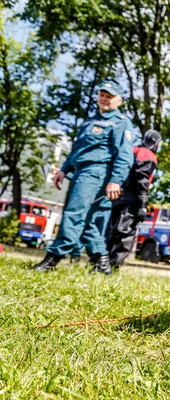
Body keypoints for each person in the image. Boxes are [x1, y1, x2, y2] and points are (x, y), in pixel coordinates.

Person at [34, 79, 134, 275]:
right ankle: (102, 263)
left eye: (109, 96)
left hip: (96, 173)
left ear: (119, 101)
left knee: (73, 214)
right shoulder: (89, 121)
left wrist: (115, 180)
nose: (104, 99)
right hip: (79, 172)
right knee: (87, 220)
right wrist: (64, 170)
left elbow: (124, 155)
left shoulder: (120, 123)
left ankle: (52, 259)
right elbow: (77, 151)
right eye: (102, 95)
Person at [107, 129, 161, 269]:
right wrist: (143, 204)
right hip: (131, 200)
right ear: (155, 143)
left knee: (111, 231)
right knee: (125, 234)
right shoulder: (148, 156)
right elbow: (141, 181)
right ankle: (113, 266)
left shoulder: (131, 150)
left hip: (116, 196)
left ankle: (101, 262)